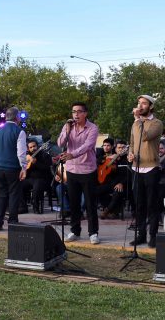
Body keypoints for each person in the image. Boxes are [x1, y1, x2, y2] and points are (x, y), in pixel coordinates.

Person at [57, 101, 101, 245]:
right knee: (74, 202)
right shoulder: (68, 126)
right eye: (73, 112)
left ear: (85, 113)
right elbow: (60, 143)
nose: (75, 114)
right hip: (71, 169)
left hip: (87, 169)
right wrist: (66, 130)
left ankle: (93, 232)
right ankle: (75, 231)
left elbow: (88, 146)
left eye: (78, 111)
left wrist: (72, 154)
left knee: (90, 203)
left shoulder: (93, 128)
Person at [127, 94, 164, 248]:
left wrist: (138, 120)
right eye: (139, 103)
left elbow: (146, 137)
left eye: (144, 103)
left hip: (151, 168)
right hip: (136, 168)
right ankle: (141, 235)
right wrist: (130, 153)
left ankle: (153, 236)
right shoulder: (135, 124)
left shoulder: (156, 123)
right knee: (139, 205)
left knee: (152, 205)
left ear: (151, 106)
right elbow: (132, 142)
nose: (140, 106)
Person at [0, 107, 28, 231]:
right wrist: (24, 167)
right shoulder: (19, 131)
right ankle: (13, 221)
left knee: (2, 195)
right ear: (17, 118)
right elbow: (21, 152)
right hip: (13, 168)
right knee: (14, 194)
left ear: (6, 117)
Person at [97, 138, 127, 220]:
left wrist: (121, 183)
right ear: (115, 149)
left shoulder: (127, 159)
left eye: (123, 148)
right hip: (111, 183)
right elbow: (99, 161)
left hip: (123, 184)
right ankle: (111, 210)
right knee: (97, 190)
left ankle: (108, 210)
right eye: (119, 148)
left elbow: (128, 175)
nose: (121, 149)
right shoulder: (112, 157)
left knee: (118, 191)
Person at [22, 139, 53, 214]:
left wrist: (36, 163)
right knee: (18, 185)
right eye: (31, 147)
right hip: (29, 179)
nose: (33, 148)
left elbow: (46, 168)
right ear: (28, 149)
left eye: (34, 146)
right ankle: (22, 207)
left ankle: (36, 207)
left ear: (37, 146)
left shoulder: (45, 155)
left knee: (37, 186)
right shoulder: (27, 156)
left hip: (42, 178)